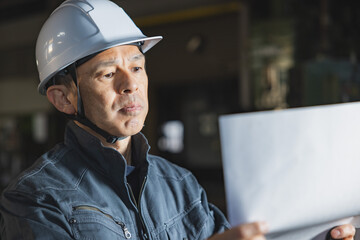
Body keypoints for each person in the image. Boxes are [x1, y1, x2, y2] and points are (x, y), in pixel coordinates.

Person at [0, 0, 356, 239]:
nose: (131, 85)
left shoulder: (179, 184)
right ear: (63, 98)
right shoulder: (35, 198)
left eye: (137, 67)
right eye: (108, 74)